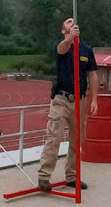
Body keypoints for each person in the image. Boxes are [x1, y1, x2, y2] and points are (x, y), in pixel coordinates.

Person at [37, 18, 99, 192]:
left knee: (77, 139)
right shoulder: (63, 45)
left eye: (74, 22)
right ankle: (44, 176)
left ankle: (72, 177)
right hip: (61, 99)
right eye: (68, 22)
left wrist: (94, 99)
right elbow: (61, 49)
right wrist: (70, 38)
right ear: (64, 30)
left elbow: (92, 75)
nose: (73, 23)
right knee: (54, 135)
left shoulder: (86, 50)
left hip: (80, 100)